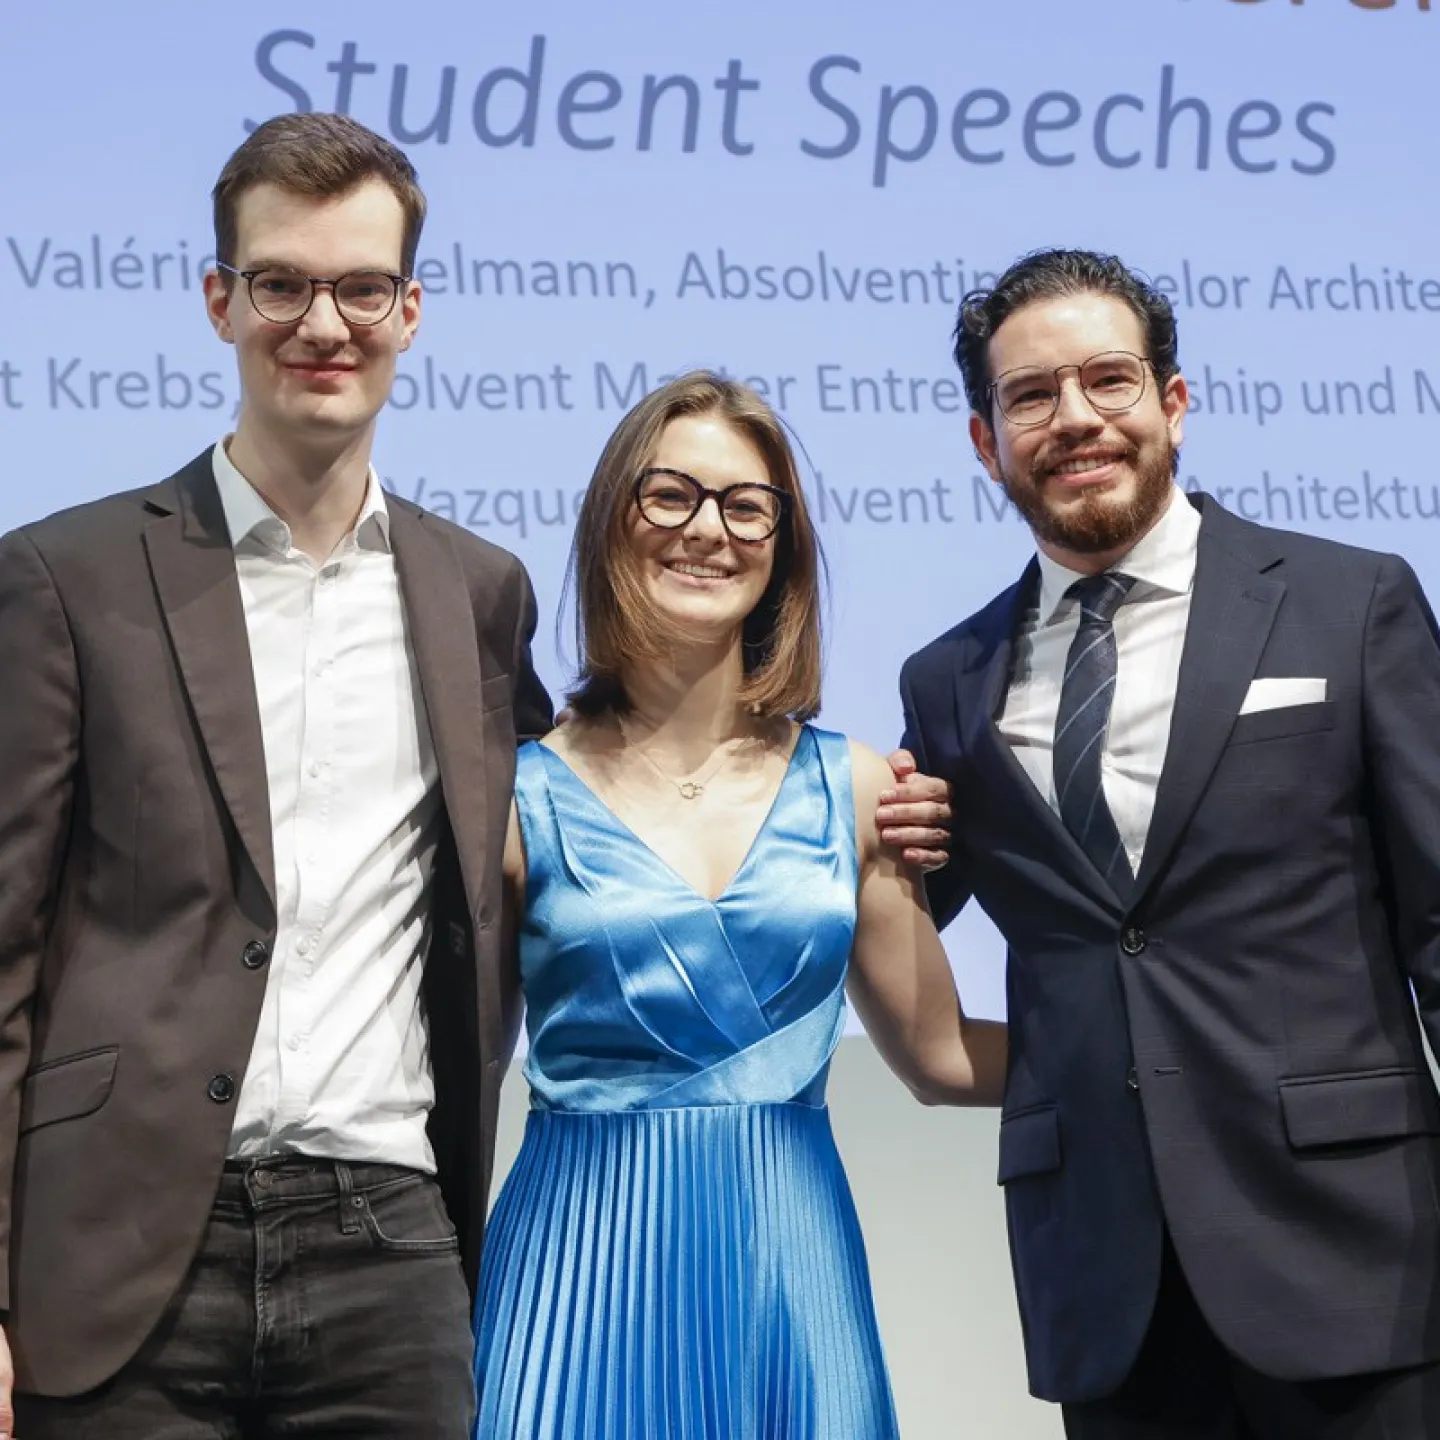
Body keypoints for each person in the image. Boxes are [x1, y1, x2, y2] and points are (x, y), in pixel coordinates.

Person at [0, 113, 553, 1437]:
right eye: (281, 284)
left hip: (389, 1245)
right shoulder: (66, 578)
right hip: (122, 1246)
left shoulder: (480, 594)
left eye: (361, 288)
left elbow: (578, 810)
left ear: (410, 310)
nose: (323, 324)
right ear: (220, 301)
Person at [898, 247, 1440, 1438]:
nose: (1074, 418)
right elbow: (887, 921)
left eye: (1109, 380)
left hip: (1360, 1252)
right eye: (1031, 395)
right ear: (987, 442)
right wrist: (870, 840)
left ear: (1174, 402)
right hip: (1108, 1278)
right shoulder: (948, 682)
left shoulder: (1350, 603)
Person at [470, 370, 1006, 1440]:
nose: (708, 530)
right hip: (574, 1275)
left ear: (782, 547)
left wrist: (1154, 1063)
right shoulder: (514, 796)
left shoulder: (860, 786)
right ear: (612, 522)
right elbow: (457, 1069)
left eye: (746, 506)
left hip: (787, 1275)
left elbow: (941, 1058)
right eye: (670, 495)